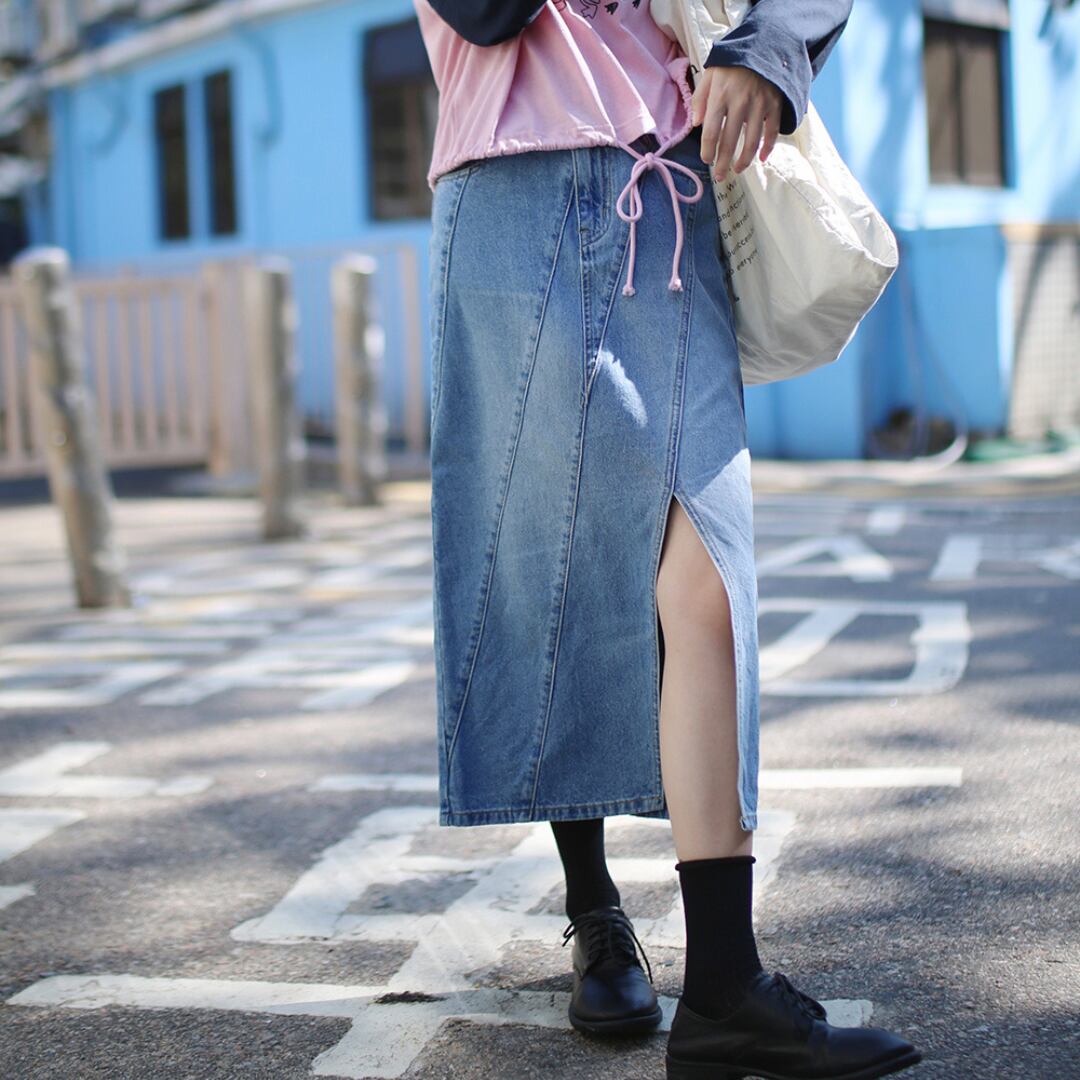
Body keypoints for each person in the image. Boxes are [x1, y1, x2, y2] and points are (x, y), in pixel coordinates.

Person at [415, 2, 923, 1077]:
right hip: (514, 196)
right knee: (557, 575)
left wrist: (768, 51)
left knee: (710, 582)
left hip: (676, 193)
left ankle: (726, 985)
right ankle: (595, 906)